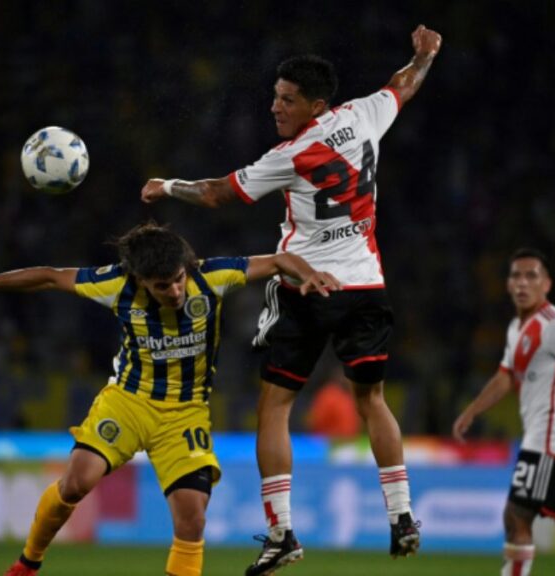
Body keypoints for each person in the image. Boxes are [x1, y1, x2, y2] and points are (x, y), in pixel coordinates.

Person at [141, 24, 442, 575]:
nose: (275, 107)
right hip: (366, 285)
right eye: (275, 96)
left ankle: (280, 532)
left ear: (315, 105)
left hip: (306, 286)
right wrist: (423, 56)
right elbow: (404, 85)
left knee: (275, 405)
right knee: (372, 400)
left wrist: (167, 186)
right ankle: (401, 514)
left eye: (287, 100)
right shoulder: (362, 116)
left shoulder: (292, 154)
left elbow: (215, 193)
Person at [0, 222, 340, 576]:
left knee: (192, 516)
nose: (176, 291)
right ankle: (27, 563)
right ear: (140, 279)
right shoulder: (114, 285)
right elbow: (51, 276)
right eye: (163, 286)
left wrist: (311, 273)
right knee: (76, 483)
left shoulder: (212, 277)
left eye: (178, 278)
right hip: (128, 402)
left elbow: (280, 259)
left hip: (185, 413)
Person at [452, 248, 555, 576]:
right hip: (552, 437)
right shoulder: (517, 328)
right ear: (507, 284)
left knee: (516, 516)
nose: (522, 282)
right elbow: (505, 378)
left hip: (550, 436)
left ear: (547, 284)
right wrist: (472, 411)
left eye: (531, 276)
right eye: (516, 275)